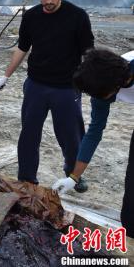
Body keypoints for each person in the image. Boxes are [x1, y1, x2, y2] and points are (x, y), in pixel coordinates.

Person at [0, 0, 94, 190]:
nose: (48, 0)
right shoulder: (31, 16)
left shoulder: (78, 16)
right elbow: (22, 47)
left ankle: (73, 174)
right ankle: (27, 179)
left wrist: (91, 80)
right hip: (36, 85)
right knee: (29, 134)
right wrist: (5, 75)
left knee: (71, 135)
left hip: (67, 88)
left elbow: (88, 53)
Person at [53, 49, 134, 238]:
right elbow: (94, 132)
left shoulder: (109, 81)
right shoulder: (104, 83)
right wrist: (73, 177)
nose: (95, 97)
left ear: (114, 86)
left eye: (97, 94)